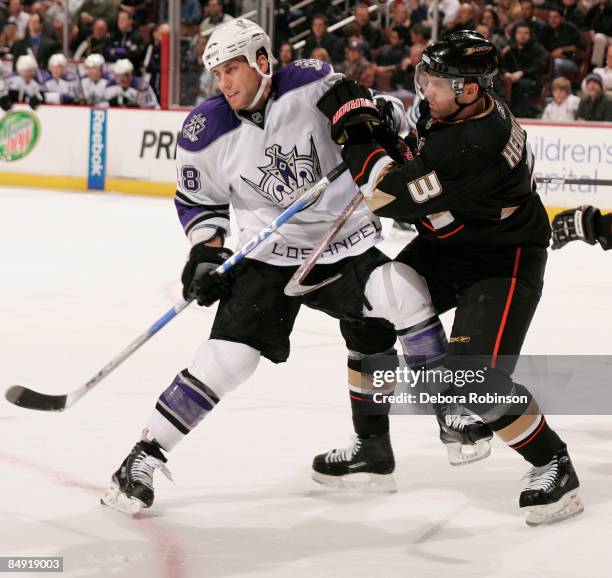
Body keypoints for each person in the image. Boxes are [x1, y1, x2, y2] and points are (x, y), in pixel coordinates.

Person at [101, 18, 490, 515]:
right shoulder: (206, 131)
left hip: (344, 246)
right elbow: (198, 201)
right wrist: (205, 252)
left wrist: (384, 130)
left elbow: (377, 110)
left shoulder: (312, 85)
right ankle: (143, 457)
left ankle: (443, 414)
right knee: (228, 360)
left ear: (263, 61)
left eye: (233, 69)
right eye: (217, 72)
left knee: (403, 290)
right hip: (270, 259)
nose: (224, 83)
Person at [319, 30, 583, 526]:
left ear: (469, 89)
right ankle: (373, 448)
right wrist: (381, 129)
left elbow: (387, 195)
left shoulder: (474, 141)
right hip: (454, 244)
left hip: (502, 262)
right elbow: (414, 160)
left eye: (435, 82)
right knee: (369, 314)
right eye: (425, 78)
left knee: (471, 380)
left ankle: (554, 463)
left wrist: (354, 131)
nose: (425, 90)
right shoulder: (457, 112)